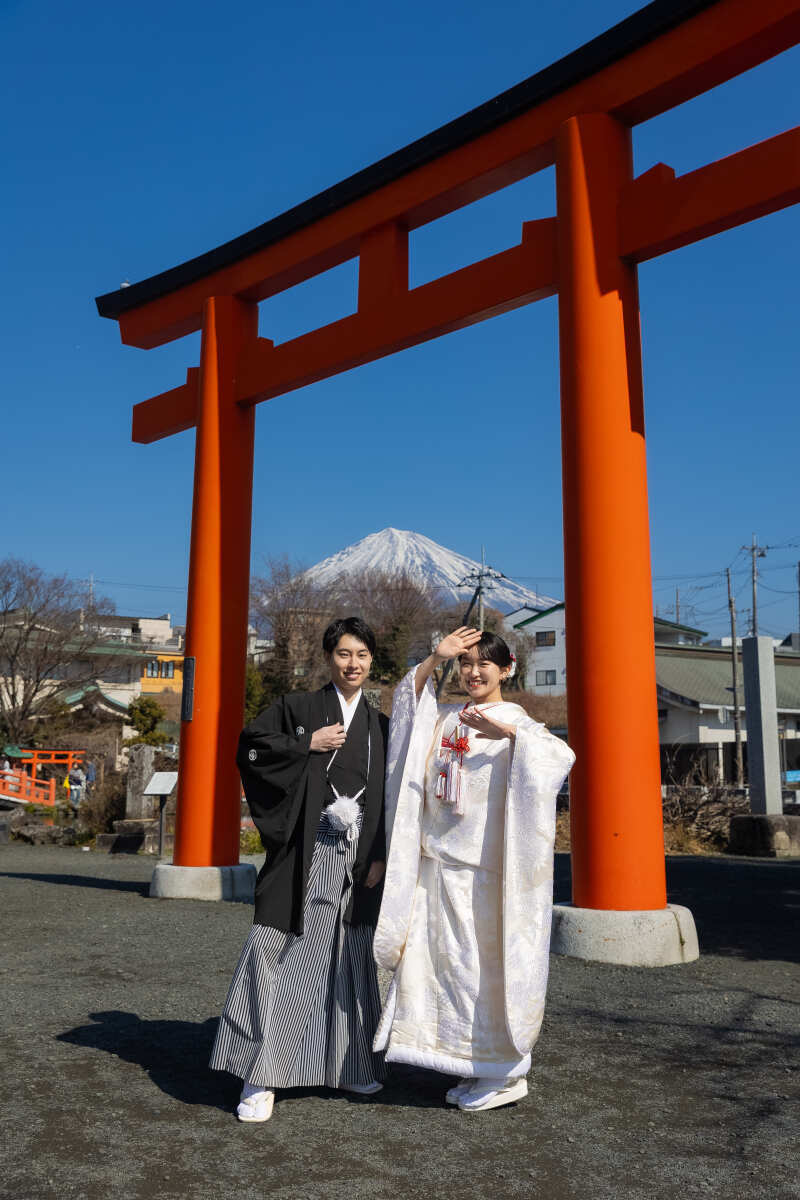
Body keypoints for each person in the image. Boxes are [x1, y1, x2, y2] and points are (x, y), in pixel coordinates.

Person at [373, 626, 575, 1113]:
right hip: (437, 867)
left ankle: (505, 1072)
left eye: (485, 663)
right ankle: (470, 1065)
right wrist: (433, 658)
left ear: (507, 669)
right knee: (440, 970)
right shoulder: (444, 718)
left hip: (486, 877)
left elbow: (559, 757)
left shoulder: (520, 723)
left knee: (482, 973)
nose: (473, 672)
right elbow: (405, 708)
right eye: (465, 663)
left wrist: (509, 736)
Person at [210, 617, 388, 1122]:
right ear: (328, 658)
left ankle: (349, 1065)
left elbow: (392, 798)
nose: (353, 664)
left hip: (356, 862)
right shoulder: (297, 708)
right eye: (343, 655)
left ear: (372, 661)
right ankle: (261, 1075)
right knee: (277, 954)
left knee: (348, 960)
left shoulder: (381, 726)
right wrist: (303, 744)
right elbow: (249, 748)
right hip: (303, 853)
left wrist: (380, 854)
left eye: (362, 655)